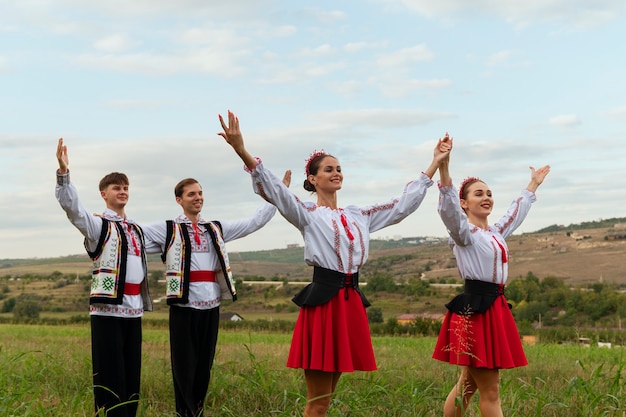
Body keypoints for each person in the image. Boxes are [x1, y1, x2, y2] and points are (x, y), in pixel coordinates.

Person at [217, 110, 452, 417]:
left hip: (349, 301)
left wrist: (434, 162)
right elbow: (274, 191)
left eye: (339, 168)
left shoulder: (359, 215)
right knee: (317, 402)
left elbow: (402, 205)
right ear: (313, 179)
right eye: (328, 169)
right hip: (324, 302)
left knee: (327, 400)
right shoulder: (306, 213)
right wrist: (241, 150)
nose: (336, 173)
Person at [141, 173, 289, 417]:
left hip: (211, 306)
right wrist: (104, 222)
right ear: (179, 200)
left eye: (200, 193)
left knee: (204, 365)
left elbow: (254, 222)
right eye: (191, 194)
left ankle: (197, 410)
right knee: (184, 365)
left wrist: (277, 194)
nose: (198, 198)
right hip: (184, 305)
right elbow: (133, 233)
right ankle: (184, 412)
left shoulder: (215, 229)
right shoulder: (169, 229)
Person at [431, 135, 550, 417]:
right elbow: (448, 211)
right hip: (475, 308)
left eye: (489, 193)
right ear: (464, 203)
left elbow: (515, 213)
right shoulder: (464, 234)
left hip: (494, 307)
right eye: (478, 194)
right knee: (490, 389)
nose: (486, 198)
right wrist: (444, 168)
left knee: (467, 385)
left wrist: (532, 184)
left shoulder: (494, 232)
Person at [55, 138, 152, 417]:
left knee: (132, 375)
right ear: (103, 193)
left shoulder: (136, 230)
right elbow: (73, 210)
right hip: (108, 309)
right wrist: (64, 176)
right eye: (116, 187)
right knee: (109, 375)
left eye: (125, 187)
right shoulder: (98, 225)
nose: (122, 191)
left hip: (133, 311)